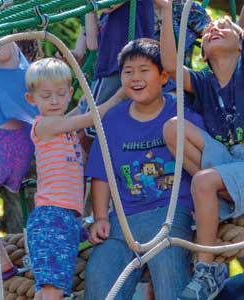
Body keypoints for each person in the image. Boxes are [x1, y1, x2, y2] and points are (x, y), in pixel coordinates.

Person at [158, 0, 244, 299]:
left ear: (241, 44)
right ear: (202, 52)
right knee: (172, 127)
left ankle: (205, 273)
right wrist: (166, 10)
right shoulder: (203, 83)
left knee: (203, 181)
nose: (215, 27)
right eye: (210, 30)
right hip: (229, 163)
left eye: (225, 27)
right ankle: (220, 196)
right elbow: (169, 66)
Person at [84, 38, 205, 300]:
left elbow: (203, 161)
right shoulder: (113, 120)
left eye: (144, 70)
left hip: (171, 215)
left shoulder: (181, 113)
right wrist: (101, 217)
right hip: (123, 221)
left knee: (170, 278)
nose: (135, 78)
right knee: (98, 277)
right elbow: (102, 174)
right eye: (128, 72)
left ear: (163, 76)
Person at [24, 57, 122, 300]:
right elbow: (90, 118)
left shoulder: (63, 126)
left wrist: (83, 101)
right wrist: (120, 95)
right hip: (51, 217)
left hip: (68, 218)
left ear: (69, 93)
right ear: (31, 100)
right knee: (52, 291)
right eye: (46, 96)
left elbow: (77, 112)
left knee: (50, 289)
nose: (54, 101)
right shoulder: (44, 125)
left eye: (60, 94)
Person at [82, 0, 155, 138]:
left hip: (125, 66)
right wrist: (90, 9)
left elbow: (109, 5)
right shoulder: (105, 14)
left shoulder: (113, 5)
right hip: (109, 68)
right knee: (95, 128)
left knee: (93, 127)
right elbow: (92, 43)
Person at [0, 41, 39, 280]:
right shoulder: (19, 58)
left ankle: (2, 263)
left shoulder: (6, 50)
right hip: (20, 144)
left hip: (6, 145)